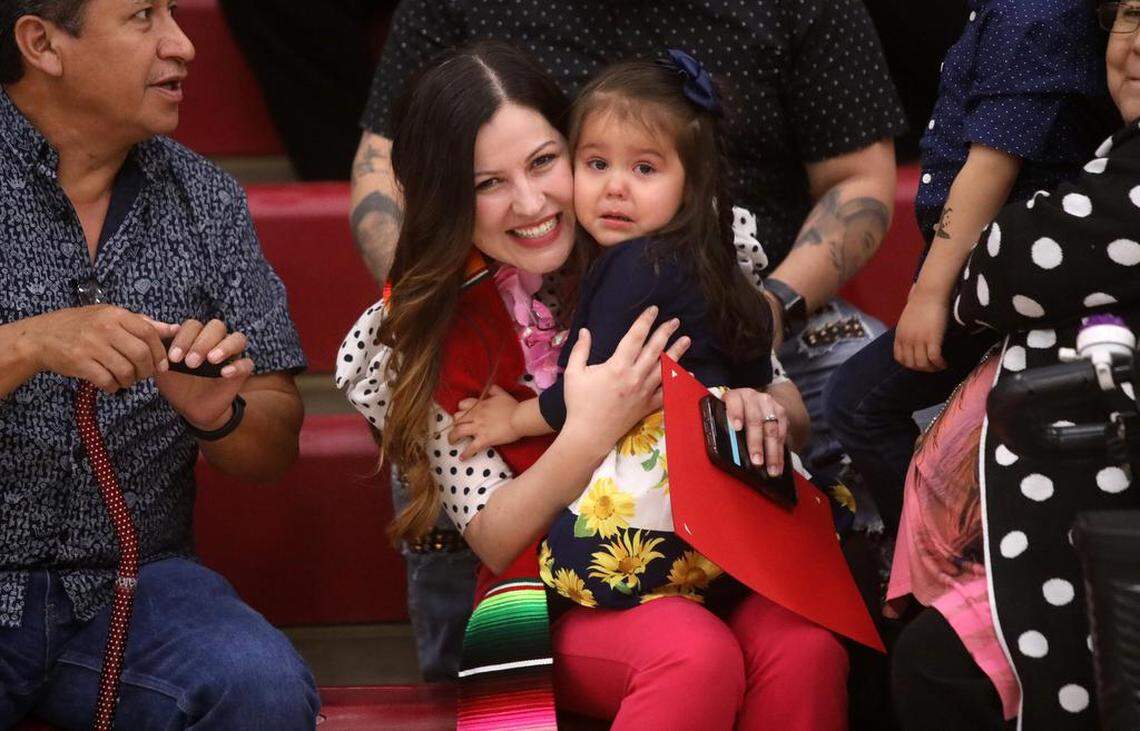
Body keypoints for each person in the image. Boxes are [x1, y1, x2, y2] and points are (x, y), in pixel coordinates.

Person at [350, 0, 906, 680]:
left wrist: (767, 412)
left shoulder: (668, 248)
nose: (531, 204)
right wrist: (589, 427)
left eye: (546, 161)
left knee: (805, 649)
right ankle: (449, 673)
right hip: (556, 573)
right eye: (488, 184)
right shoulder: (438, 330)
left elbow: (767, 380)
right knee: (691, 656)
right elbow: (495, 535)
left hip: (708, 537)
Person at [0, 1, 318, 727]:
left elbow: (274, 442)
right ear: (42, 44)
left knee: (259, 686)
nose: (183, 45)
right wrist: (28, 344)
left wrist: (219, 414)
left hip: (138, 585)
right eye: (143, 17)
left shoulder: (206, 199)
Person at [452, 52, 810, 609]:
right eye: (596, 165)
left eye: (644, 169)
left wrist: (514, 418)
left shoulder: (631, 267)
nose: (616, 188)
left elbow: (588, 387)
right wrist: (745, 390)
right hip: (743, 509)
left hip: (668, 495)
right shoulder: (706, 257)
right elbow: (757, 352)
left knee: (573, 557)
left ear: (690, 185)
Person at [889, 3, 1140, 727]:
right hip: (1035, 535)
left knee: (931, 667)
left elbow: (1006, 263)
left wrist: (958, 278)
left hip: (1090, 541)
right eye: (1128, 15)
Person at [825, 0, 1119, 537]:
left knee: (857, 402)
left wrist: (932, 294)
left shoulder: (1037, 14)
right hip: (987, 269)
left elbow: (991, 166)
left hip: (1004, 277)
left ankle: (934, 568)